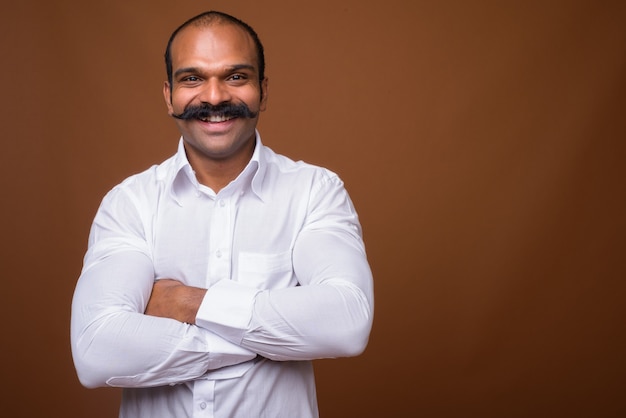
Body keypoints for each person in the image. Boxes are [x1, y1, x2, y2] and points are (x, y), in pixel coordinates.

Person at [70, 10, 374, 418]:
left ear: (263, 91)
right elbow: (96, 351)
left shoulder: (314, 192)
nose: (213, 97)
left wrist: (188, 303)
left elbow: (347, 322)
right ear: (168, 95)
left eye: (235, 77)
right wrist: (264, 339)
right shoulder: (130, 203)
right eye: (192, 78)